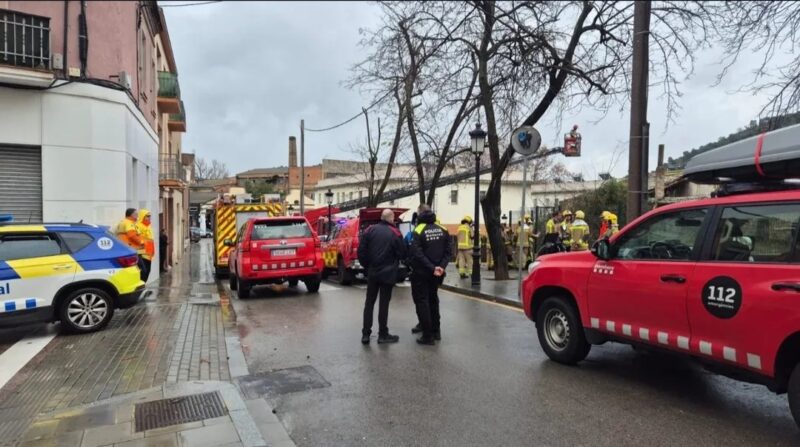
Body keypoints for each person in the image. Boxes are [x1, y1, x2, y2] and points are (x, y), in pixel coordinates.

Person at [357, 209, 406, 345]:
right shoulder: (395, 232)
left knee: (369, 303)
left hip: (373, 271)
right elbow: (402, 252)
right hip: (388, 272)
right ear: (391, 219)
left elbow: (361, 250)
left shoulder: (369, 230)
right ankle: (382, 334)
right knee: (384, 304)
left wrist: (366, 266)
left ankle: (366, 334)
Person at [409, 205, 452, 345]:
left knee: (423, 301)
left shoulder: (418, 230)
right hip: (438, 273)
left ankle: (427, 336)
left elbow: (417, 253)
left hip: (422, 273)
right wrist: (440, 267)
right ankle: (436, 331)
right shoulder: (443, 229)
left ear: (420, 215)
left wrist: (431, 267)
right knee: (434, 300)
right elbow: (449, 252)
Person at [136, 209, 155, 282]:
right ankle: (141, 287)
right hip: (142, 253)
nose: (149, 217)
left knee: (148, 271)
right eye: (147, 216)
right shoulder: (138, 226)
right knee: (143, 272)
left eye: (150, 216)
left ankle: (143, 286)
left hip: (148, 254)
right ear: (142, 216)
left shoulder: (148, 226)